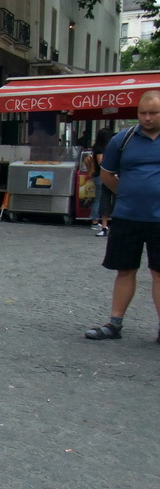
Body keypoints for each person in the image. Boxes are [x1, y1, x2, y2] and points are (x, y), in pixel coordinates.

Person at [85, 91, 160, 342]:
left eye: (153, 113)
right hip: (128, 215)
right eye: (143, 113)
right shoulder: (123, 139)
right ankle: (114, 324)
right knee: (125, 269)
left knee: (159, 273)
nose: (147, 118)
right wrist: (128, 194)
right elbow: (106, 174)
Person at [88, 127, 114, 235]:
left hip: (98, 175)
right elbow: (101, 163)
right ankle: (94, 221)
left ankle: (96, 221)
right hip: (100, 176)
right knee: (99, 198)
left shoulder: (98, 147)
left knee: (99, 198)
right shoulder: (100, 149)